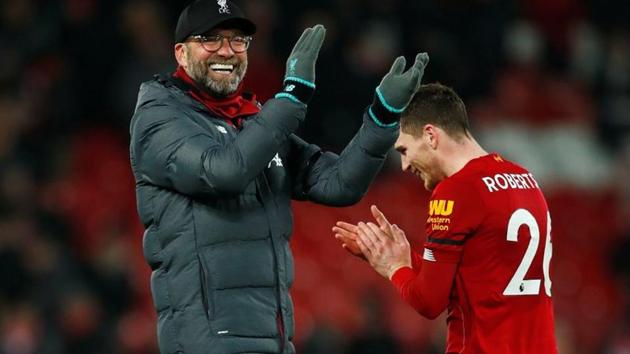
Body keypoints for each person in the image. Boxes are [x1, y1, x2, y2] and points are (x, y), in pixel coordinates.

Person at [128, 0, 429, 353]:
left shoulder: (252, 121)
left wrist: (381, 118)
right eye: (211, 39)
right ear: (181, 52)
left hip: (273, 337)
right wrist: (291, 97)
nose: (227, 50)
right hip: (204, 341)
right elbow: (224, 171)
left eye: (238, 41)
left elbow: (338, 184)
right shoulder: (160, 117)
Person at [333, 83, 558, 353]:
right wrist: (405, 258)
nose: (404, 166)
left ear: (430, 135)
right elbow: (477, 280)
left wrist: (393, 266)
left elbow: (428, 301)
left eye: (404, 150)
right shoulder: (526, 179)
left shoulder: (456, 190)